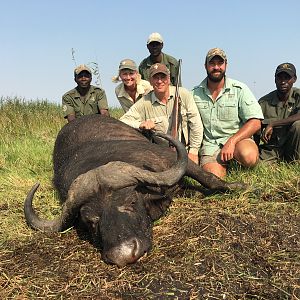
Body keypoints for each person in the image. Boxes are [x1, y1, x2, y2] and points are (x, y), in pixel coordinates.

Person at [192, 48, 264, 178]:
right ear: (205, 66)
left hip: (237, 142)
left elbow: (256, 122)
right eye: (212, 64)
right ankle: (223, 168)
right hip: (211, 147)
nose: (216, 67)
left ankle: (237, 163)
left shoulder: (239, 89)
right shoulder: (194, 94)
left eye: (220, 63)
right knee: (213, 178)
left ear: (226, 65)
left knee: (249, 156)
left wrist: (232, 141)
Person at [120, 63, 203, 164]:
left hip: (187, 150)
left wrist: (193, 151)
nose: (159, 81)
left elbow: (196, 124)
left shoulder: (183, 94)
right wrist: (140, 124)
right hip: (162, 155)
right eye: (155, 78)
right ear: (150, 81)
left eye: (163, 77)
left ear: (168, 79)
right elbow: (123, 121)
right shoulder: (144, 102)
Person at [258, 63, 300, 162]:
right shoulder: (264, 102)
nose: (283, 82)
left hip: (294, 148)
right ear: (275, 79)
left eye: (287, 78)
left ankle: (295, 161)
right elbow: (254, 126)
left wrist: (273, 124)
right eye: (280, 78)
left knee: (298, 125)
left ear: (294, 79)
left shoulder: (298, 96)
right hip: (273, 149)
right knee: (253, 165)